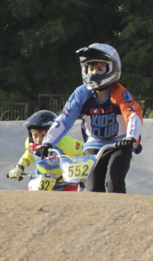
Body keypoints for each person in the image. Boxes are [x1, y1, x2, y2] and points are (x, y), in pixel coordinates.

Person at [38, 43, 143, 193]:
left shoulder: (119, 92)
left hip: (119, 144)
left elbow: (132, 114)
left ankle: (121, 213)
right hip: (93, 145)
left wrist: (131, 138)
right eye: (90, 68)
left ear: (112, 68)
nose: (94, 73)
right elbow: (65, 119)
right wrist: (47, 143)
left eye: (100, 68)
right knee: (93, 187)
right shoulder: (81, 93)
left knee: (114, 179)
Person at [6, 110, 85, 185]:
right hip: (41, 181)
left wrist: (83, 175)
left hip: (66, 184)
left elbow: (86, 151)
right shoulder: (30, 143)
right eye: (35, 135)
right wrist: (19, 168)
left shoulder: (67, 144)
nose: (38, 140)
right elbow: (29, 155)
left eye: (43, 135)